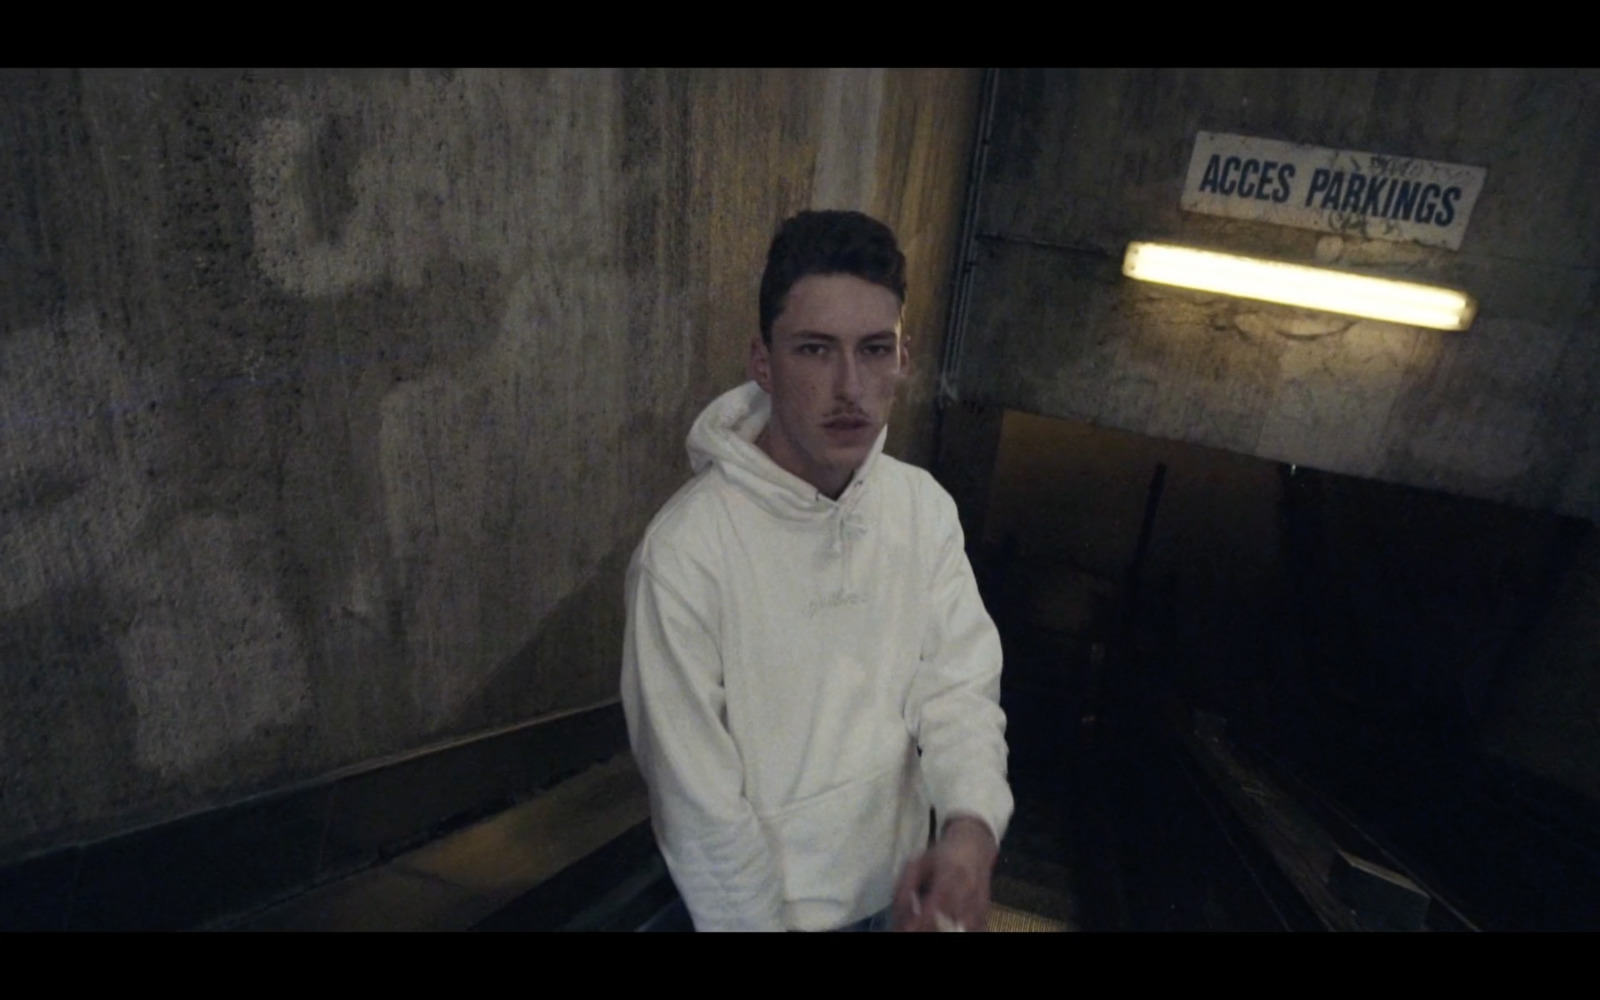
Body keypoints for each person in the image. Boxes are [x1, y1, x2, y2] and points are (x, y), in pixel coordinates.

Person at [620, 210, 1012, 932]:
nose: (850, 388)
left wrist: (970, 831)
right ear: (762, 362)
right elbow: (700, 811)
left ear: (903, 356)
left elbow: (958, 690)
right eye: (814, 350)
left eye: (873, 350)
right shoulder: (684, 557)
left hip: (900, 909)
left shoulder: (922, 511)